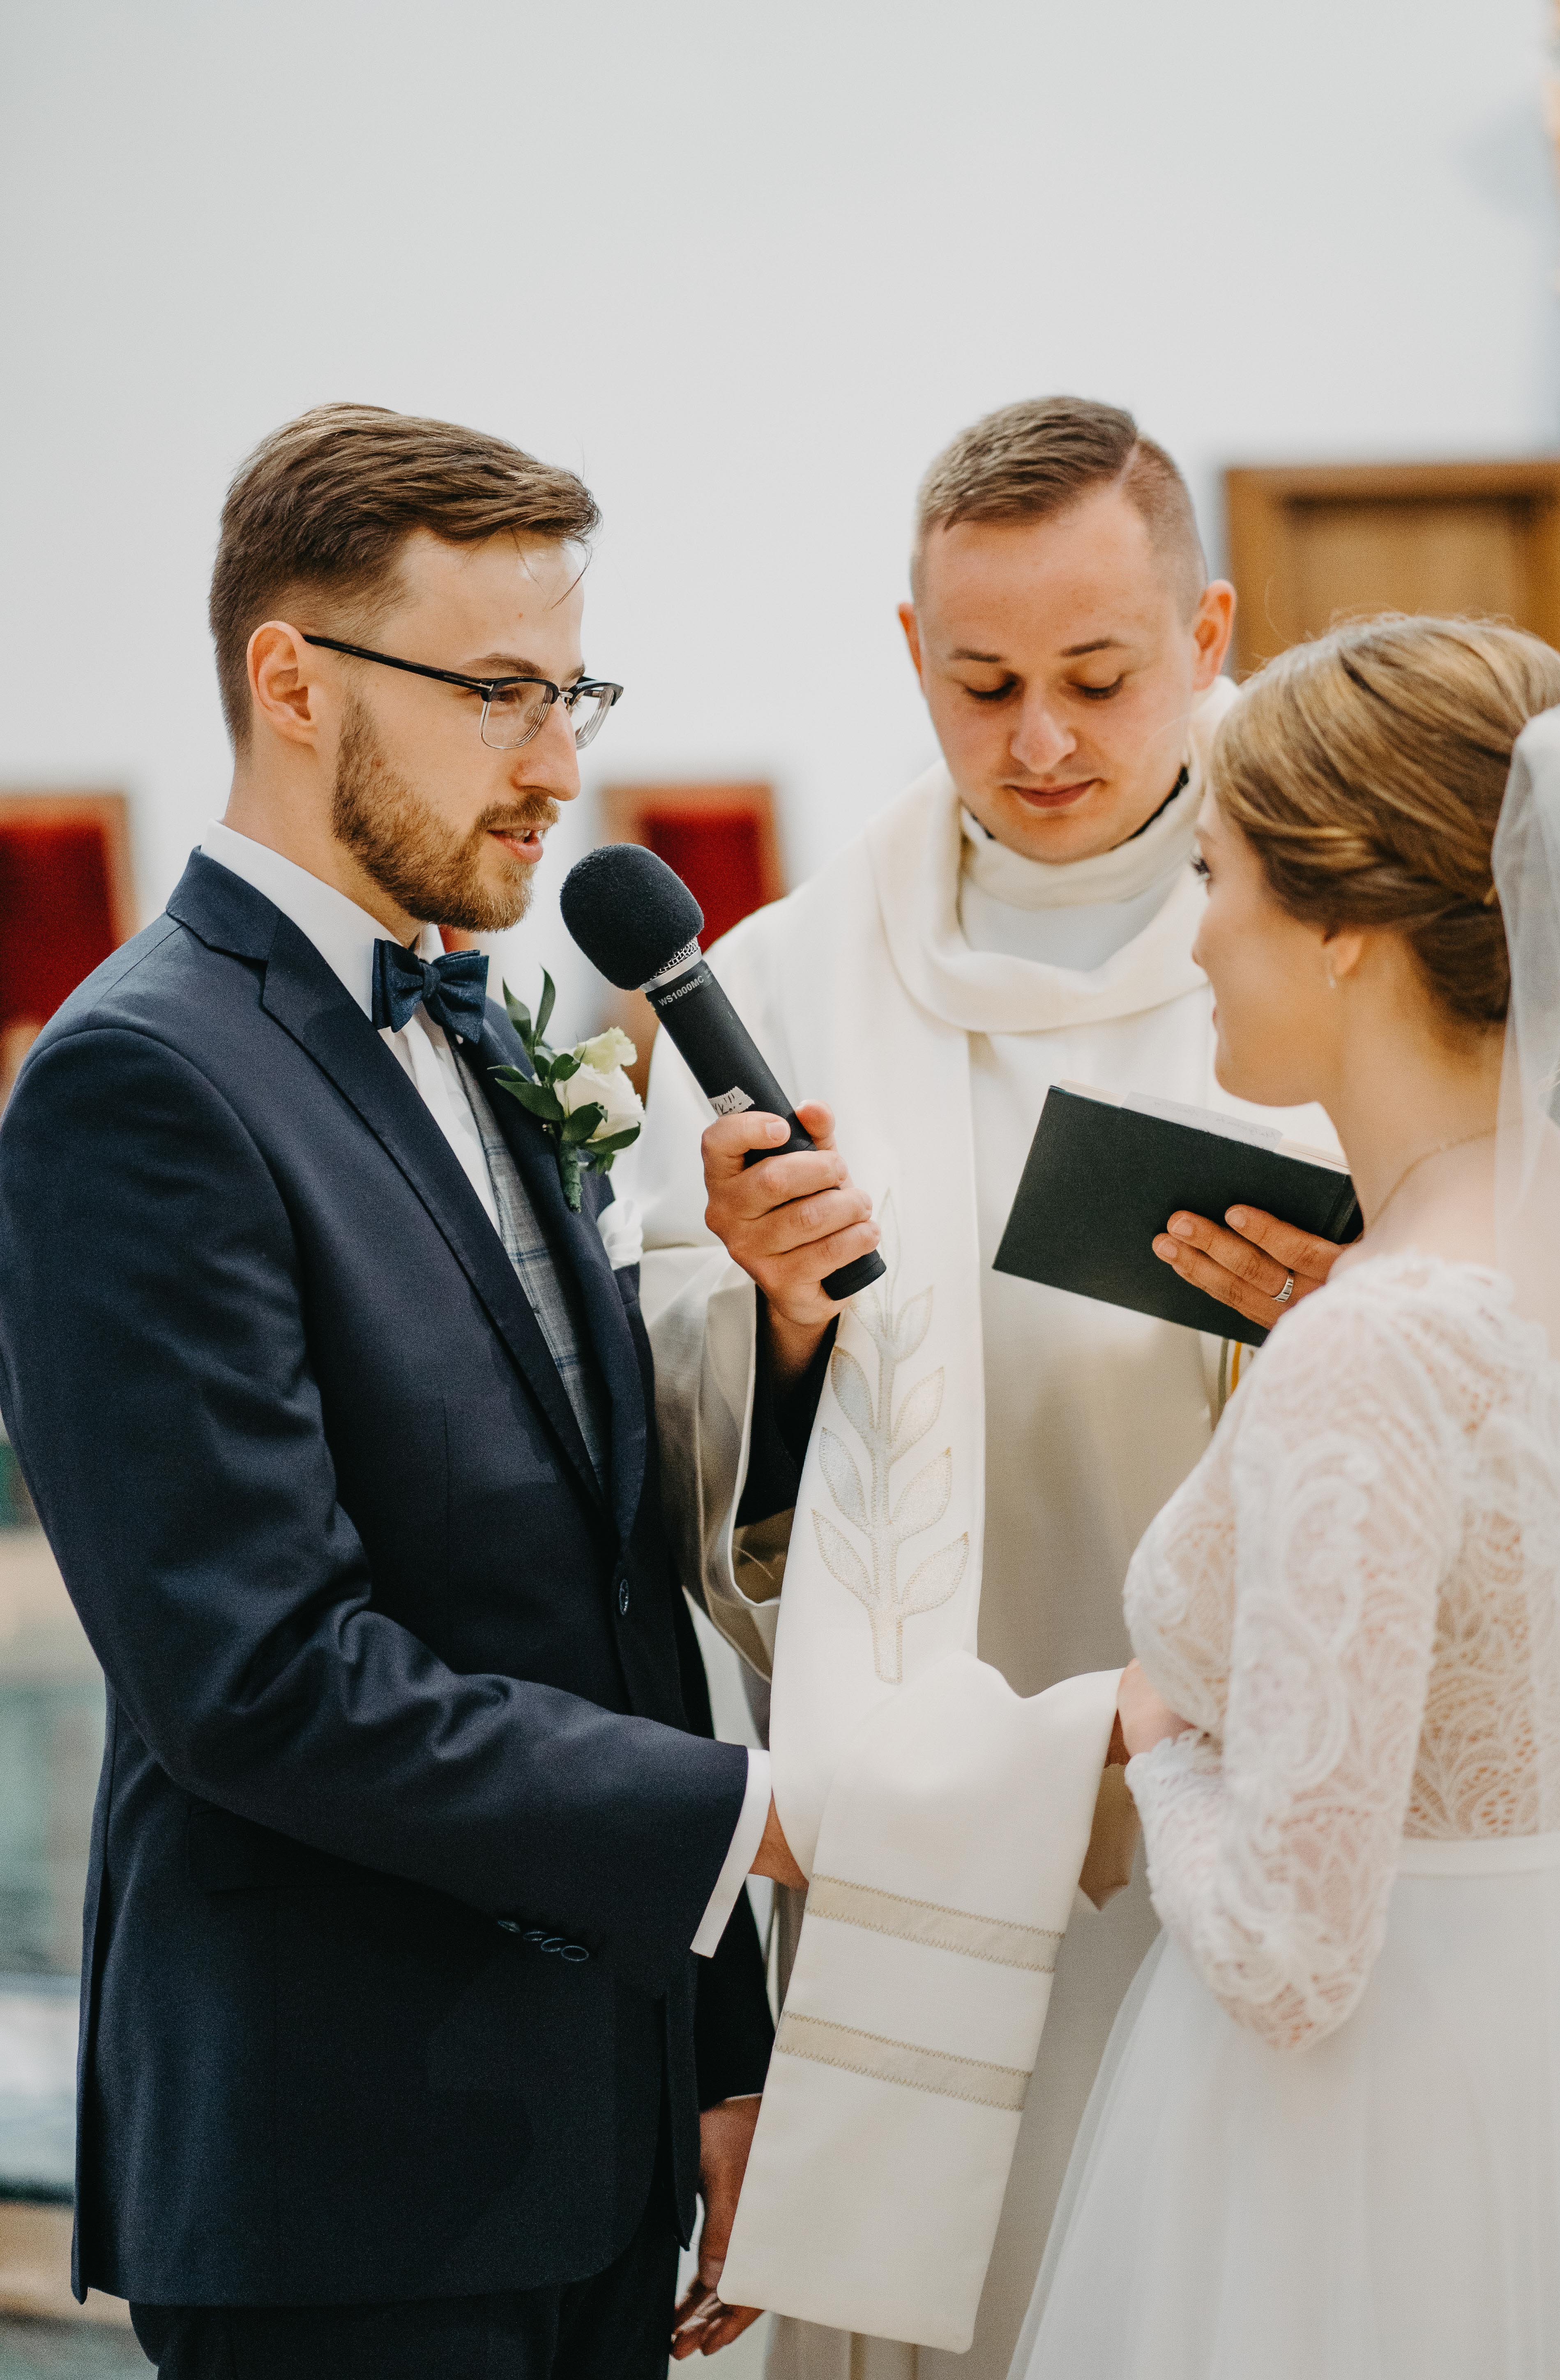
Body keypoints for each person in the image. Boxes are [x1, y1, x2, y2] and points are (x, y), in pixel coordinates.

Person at [0, 402, 807, 2379]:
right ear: (293, 682)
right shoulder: (139, 1082)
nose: (561, 765)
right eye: (500, 692)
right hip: (341, 2172)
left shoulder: (481, 1026)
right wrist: (759, 1821)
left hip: (590, 2127)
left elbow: (605, 1585)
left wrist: (714, 2046)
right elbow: (257, 1678)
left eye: (572, 693)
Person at [634, 396, 1342, 2379]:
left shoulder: (1351, 923)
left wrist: (1361, 1312)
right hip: (922, 1839)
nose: (1040, 741)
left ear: (1209, 632)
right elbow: (666, 1477)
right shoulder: (782, 989)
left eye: (1098, 679)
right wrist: (772, 1320)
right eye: (982, 683)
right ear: (910, 652)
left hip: (1270, 1800)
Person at [1013, 615, 1560, 2379]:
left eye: (1215, 875)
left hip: (1360, 2146)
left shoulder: (1377, 1346)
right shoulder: (1522, 1268)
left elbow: (1284, 1951)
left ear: (1340, 924)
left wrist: (1162, 1737)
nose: (1195, 935)